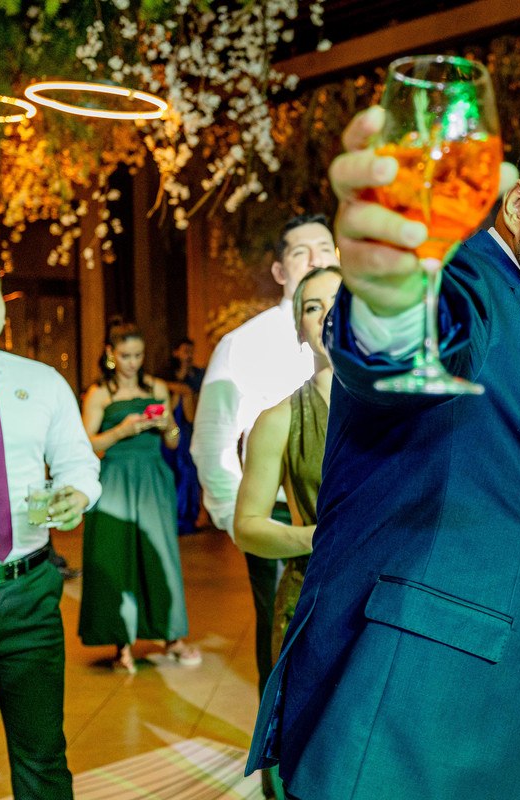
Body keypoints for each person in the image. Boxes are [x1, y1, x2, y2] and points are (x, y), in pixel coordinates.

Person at [247, 103, 520, 800]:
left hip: (510, 716)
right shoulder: (468, 284)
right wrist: (386, 276)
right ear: (518, 204)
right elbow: (398, 342)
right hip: (421, 730)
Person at [0, 245, 101, 799]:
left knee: (43, 759)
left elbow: (78, 462)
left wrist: (77, 493)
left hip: (31, 593)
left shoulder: (42, 382)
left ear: (3, 302)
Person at [189, 214, 338, 687]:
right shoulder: (243, 344)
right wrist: (239, 522)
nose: (315, 258)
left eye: (325, 248)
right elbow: (212, 440)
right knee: (284, 653)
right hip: (279, 519)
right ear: (279, 269)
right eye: (301, 251)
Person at [79, 320, 200, 674]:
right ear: (111, 354)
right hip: (115, 479)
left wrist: (168, 426)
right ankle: (122, 644)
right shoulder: (99, 393)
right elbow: (86, 444)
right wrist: (121, 431)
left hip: (152, 478)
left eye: (138, 355)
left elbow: (173, 442)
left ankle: (172, 636)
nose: (132, 363)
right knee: (116, 557)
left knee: (160, 555)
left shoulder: (157, 387)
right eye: (125, 355)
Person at [234, 266, 342, 659]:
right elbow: (247, 527)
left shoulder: (401, 409)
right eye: (314, 307)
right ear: (299, 330)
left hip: (386, 604)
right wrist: (316, 538)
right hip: (313, 602)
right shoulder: (279, 420)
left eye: (340, 301)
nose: (329, 315)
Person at [165, 338, 204, 533]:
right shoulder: (167, 376)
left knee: (188, 473)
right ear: (176, 353)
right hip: (171, 432)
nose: (189, 355)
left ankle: (187, 517)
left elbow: (192, 412)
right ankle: (172, 517)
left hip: (188, 431)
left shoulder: (197, 375)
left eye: (191, 351)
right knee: (173, 472)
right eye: (185, 351)